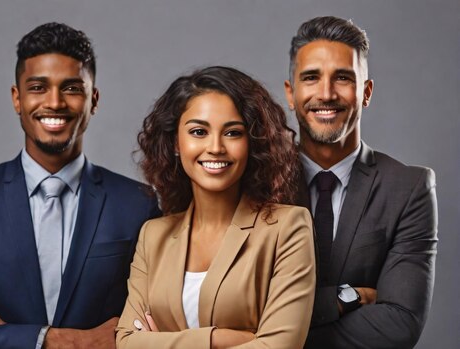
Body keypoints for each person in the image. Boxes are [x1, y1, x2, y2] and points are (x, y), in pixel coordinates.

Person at [0, 22, 160, 349]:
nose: (54, 102)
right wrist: (51, 341)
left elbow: (159, 328)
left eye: (71, 88)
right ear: (17, 98)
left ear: (93, 100)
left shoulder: (137, 204)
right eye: (38, 87)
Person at [116, 66, 316, 349]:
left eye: (233, 133)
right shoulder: (153, 235)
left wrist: (161, 342)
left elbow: (278, 347)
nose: (216, 147)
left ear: (252, 142)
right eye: (199, 131)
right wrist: (216, 339)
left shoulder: (288, 227)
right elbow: (126, 342)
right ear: (176, 142)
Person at [283, 16, 438, 348]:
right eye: (311, 78)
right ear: (291, 94)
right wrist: (345, 298)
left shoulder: (410, 189)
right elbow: (237, 308)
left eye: (343, 78)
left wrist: (273, 336)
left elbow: (400, 324)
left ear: (366, 92)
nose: (326, 93)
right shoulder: (259, 181)